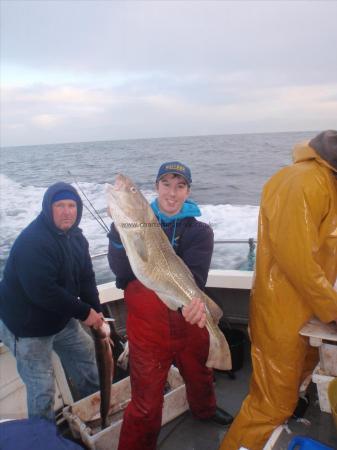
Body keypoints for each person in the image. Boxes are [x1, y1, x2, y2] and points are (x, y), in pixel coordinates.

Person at [219, 130, 337, 450]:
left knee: (294, 387)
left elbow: (322, 248)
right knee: (269, 405)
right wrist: (333, 309)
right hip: (283, 314)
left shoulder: (325, 182)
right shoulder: (304, 182)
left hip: (305, 310)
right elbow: (297, 259)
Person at [108, 161, 233, 450]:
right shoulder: (131, 224)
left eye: (180, 186)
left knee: (200, 375)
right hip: (148, 331)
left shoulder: (199, 231)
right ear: (156, 187)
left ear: (188, 191)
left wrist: (195, 305)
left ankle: (205, 410)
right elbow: (123, 273)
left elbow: (196, 277)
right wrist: (118, 231)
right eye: (166, 184)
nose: (172, 193)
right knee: (146, 403)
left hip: (188, 319)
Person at [0, 182, 103, 421]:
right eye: (60, 205)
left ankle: (97, 412)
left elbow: (86, 278)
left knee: (86, 357)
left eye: (72, 205)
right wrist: (84, 312)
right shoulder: (33, 242)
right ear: (48, 208)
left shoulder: (77, 238)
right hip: (27, 328)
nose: (67, 211)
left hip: (59, 318)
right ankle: (43, 438)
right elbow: (42, 291)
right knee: (42, 389)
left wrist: (96, 313)